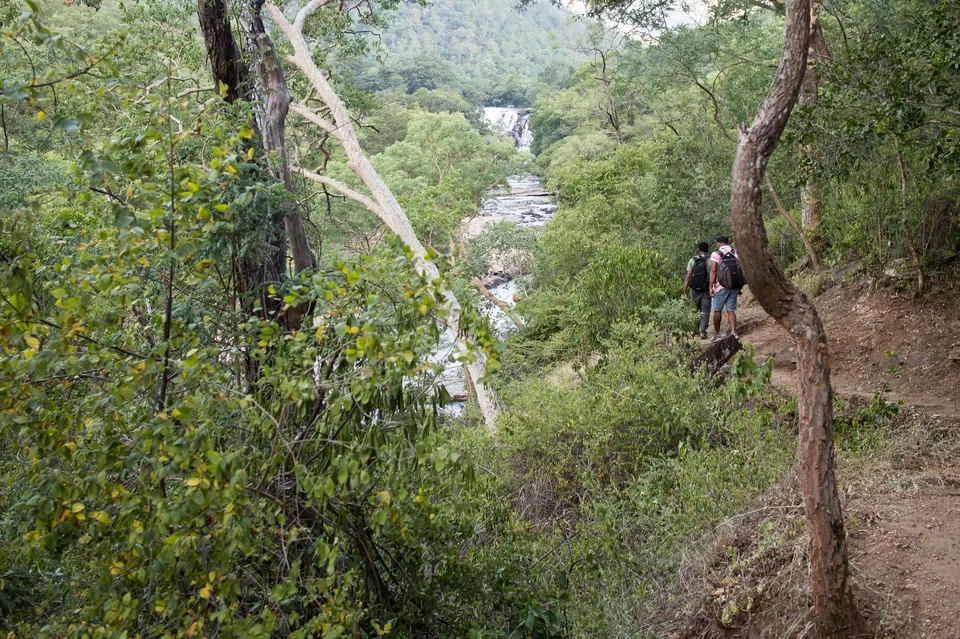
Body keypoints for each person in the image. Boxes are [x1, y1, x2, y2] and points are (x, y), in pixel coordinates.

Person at [709, 235, 745, 341]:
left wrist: (710, 286)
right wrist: (739, 285)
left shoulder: (716, 254)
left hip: (720, 287)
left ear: (718, 243)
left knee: (717, 310)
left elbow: (714, 270)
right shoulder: (735, 252)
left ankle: (717, 334)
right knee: (731, 310)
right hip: (734, 286)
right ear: (727, 242)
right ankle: (734, 332)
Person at [683, 241, 712, 339]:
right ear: (707, 250)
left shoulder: (693, 260)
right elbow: (713, 274)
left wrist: (685, 289)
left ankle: (694, 330)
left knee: (695, 309)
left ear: (699, 250)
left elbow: (688, 276)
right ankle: (702, 332)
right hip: (707, 288)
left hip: (695, 289)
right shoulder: (710, 260)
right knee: (706, 311)